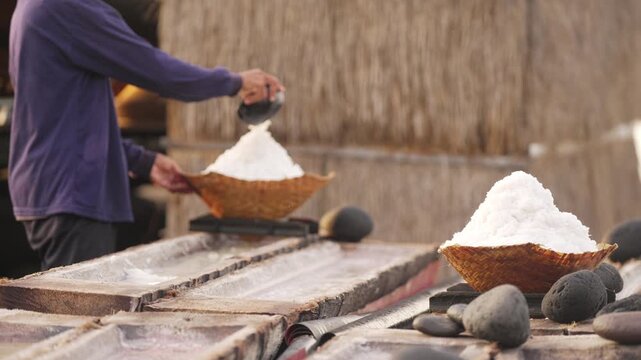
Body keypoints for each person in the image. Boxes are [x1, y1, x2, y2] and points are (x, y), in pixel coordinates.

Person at [8, 0, 285, 270]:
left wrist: (143, 162)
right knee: (75, 312)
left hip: (48, 189)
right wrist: (235, 82)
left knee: (67, 308)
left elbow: (58, 118)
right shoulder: (67, 7)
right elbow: (158, 71)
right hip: (71, 194)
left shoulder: (32, 7)